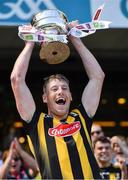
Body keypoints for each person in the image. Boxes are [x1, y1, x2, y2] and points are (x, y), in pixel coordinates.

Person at [10, 21, 105, 179]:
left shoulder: (81, 116)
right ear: (45, 98)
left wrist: (76, 38)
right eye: (54, 89)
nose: (61, 91)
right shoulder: (37, 123)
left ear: (71, 96)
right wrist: (30, 42)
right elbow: (16, 79)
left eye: (64, 88)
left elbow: (98, 76)